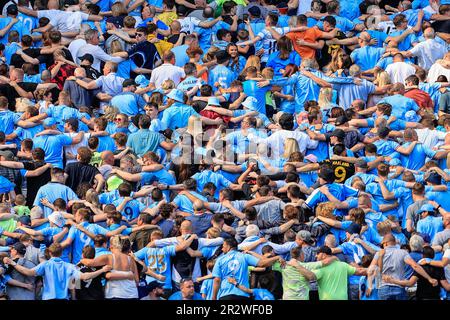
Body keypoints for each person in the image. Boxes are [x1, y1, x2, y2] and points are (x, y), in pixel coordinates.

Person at [2, 243, 110, 300]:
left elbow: (29, 272)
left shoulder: (46, 265)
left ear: (49, 252)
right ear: (61, 252)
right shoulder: (70, 266)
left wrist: (13, 263)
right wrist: (102, 271)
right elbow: (83, 278)